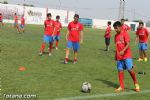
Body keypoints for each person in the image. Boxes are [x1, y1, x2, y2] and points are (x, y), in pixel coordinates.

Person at [113, 21, 140, 92]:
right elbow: (116, 46)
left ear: (120, 27)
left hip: (127, 55)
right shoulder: (115, 36)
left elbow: (128, 44)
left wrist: (123, 51)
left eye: (116, 28)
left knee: (130, 70)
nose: (115, 30)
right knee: (120, 70)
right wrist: (116, 55)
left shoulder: (125, 33)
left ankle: (136, 83)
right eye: (114, 28)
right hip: (119, 56)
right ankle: (121, 86)